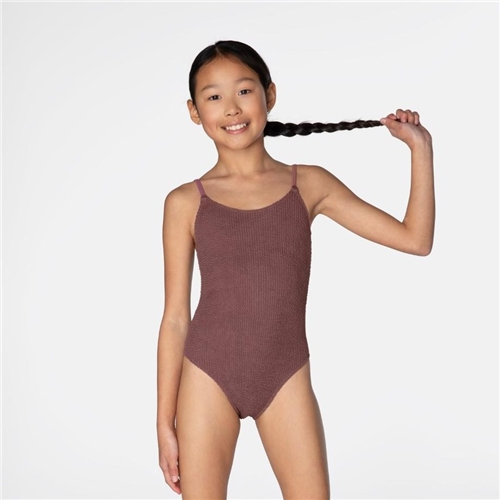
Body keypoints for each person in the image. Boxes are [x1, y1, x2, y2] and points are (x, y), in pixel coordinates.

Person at [156, 40, 435, 499]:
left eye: (244, 91)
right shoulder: (185, 201)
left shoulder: (308, 184)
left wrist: (420, 150)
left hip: (284, 374)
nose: (231, 108)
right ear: (194, 111)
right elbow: (174, 319)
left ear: (269, 95)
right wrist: (164, 424)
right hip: (206, 374)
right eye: (214, 96)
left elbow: (415, 240)